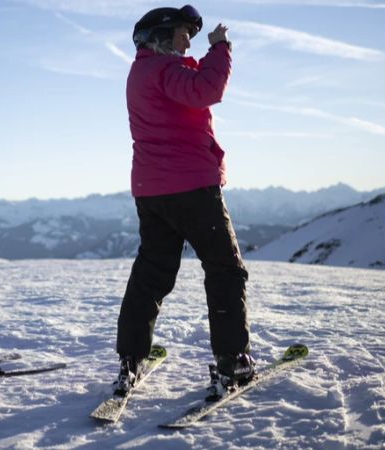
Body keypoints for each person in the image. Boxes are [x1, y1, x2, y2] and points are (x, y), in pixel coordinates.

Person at [115, 5, 254, 396]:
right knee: (225, 268)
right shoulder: (165, 69)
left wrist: (200, 55)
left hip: (151, 189)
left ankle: (130, 360)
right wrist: (221, 48)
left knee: (152, 273)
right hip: (191, 186)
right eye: (182, 34)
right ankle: (234, 362)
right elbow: (206, 90)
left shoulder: (140, 71)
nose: (188, 40)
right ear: (160, 35)